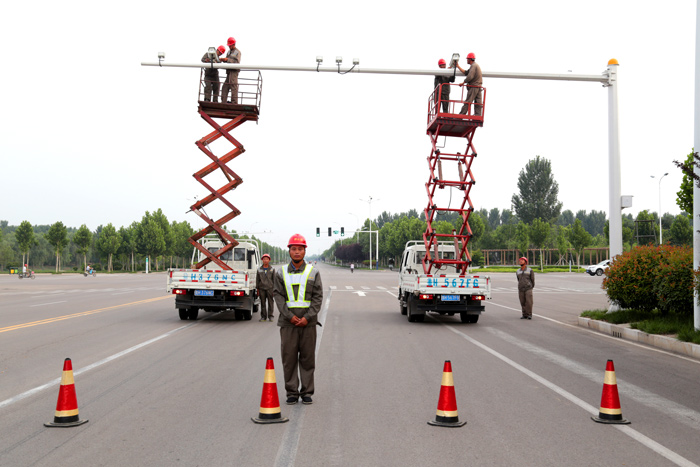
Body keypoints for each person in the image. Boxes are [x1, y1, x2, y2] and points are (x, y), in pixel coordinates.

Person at [274, 233, 323, 405]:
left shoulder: (313, 272)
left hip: (307, 324)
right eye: (293, 249)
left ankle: (307, 392)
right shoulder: (280, 273)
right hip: (288, 323)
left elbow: (318, 297)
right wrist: (290, 316)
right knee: (289, 359)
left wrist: (308, 318)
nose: (297, 252)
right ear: (289, 251)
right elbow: (278, 297)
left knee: (308, 358)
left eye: (300, 249)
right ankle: (292, 392)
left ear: (304, 251)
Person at [221, 37, 241, 104]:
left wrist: (227, 60)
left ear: (233, 44)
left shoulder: (237, 52)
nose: (229, 47)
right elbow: (228, 61)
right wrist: (223, 60)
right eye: (228, 45)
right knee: (225, 87)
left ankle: (234, 103)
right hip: (229, 73)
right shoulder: (229, 52)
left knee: (233, 87)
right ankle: (223, 102)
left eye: (230, 45)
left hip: (234, 72)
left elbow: (237, 62)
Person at [256, 253, 276, 322]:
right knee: (263, 303)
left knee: (271, 303)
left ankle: (271, 316)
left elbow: (274, 280)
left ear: (269, 260)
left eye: (267, 259)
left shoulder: (272, 269)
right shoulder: (259, 269)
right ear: (262, 260)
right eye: (264, 259)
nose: (265, 260)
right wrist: (257, 289)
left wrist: (274, 289)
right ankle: (263, 317)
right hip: (261, 289)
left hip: (270, 288)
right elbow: (257, 280)